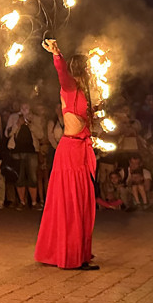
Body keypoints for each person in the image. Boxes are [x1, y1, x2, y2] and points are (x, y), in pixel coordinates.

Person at [35, 39, 98, 270]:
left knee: (81, 203)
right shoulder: (70, 87)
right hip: (70, 151)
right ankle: (71, 255)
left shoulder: (83, 91)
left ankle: (78, 250)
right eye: (89, 68)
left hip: (80, 150)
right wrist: (57, 54)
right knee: (71, 203)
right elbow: (61, 73)